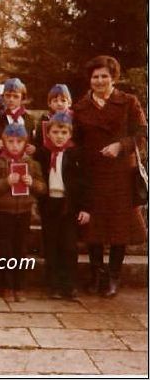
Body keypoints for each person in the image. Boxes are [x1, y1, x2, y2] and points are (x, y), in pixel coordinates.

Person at [72, 55, 147, 297]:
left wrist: (120, 146)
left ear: (113, 77)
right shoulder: (80, 107)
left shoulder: (128, 102)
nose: (100, 81)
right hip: (93, 174)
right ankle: (96, 274)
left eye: (105, 76)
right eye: (95, 76)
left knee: (119, 228)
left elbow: (142, 133)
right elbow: (75, 140)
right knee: (94, 227)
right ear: (90, 79)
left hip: (121, 174)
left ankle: (114, 276)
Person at [0, 123, 47, 302]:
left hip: (24, 211)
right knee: (5, 250)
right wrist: (6, 182)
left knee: (21, 250)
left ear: (24, 143)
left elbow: (42, 188)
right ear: (4, 142)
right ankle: (7, 285)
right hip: (3, 212)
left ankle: (20, 286)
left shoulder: (32, 164)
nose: (14, 145)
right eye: (10, 141)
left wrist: (32, 183)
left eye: (18, 142)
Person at [35, 112, 90, 299]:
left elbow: (84, 183)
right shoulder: (42, 153)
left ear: (70, 134)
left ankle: (70, 284)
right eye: (56, 132)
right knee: (51, 245)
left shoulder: (75, 154)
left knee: (69, 246)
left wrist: (85, 207)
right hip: (50, 202)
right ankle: (53, 285)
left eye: (63, 132)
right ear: (48, 133)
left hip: (69, 205)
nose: (59, 136)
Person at [0, 78, 35, 164]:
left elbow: (34, 140)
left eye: (16, 96)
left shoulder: (29, 120)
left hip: (25, 162)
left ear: (22, 98)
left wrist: (34, 148)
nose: (11, 99)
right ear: (3, 96)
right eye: (8, 96)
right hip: (4, 164)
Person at [33, 84, 73, 151]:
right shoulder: (45, 119)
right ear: (49, 103)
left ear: (69, 103)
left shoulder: (74, 119)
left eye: (63, 100)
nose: (59, 104)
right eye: (55, 101)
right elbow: (38, 142)